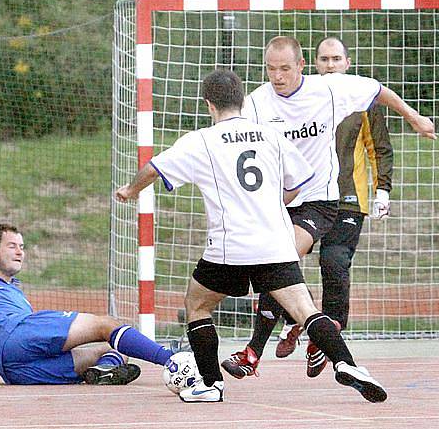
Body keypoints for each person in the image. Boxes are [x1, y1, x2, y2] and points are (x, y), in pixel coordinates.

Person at [116, 69, 388, 404]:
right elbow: (298, 181)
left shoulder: (201, 141)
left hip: (230, 249)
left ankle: (211, 384)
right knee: (305, 309)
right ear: (243, 101)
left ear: (208, 105)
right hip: (275, 244)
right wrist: (274, 203)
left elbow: (154, 168)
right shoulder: (270, 136)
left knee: (197, 305)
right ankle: (346, 363)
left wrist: (130, 190)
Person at [221, 35, 433, 380]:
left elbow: (378, 89)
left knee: (290, 259)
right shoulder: (257, 103)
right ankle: (310, 333)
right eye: (271, 69)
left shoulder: (329, 89)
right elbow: (231, 138)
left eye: (285, 68)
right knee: (275, 272)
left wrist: (412, 116)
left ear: (301, 66)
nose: (278, 76)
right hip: (280, 202)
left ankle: (256, 351)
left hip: (320, 199)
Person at [0, 223, 177, 385]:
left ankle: (104, 370)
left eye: (22, 247)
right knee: (106, 324)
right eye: (12, 246)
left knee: (114, 349)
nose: (20, 252)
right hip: (14, 335)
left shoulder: (17, 293)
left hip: (15, 371)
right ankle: (173, 360)